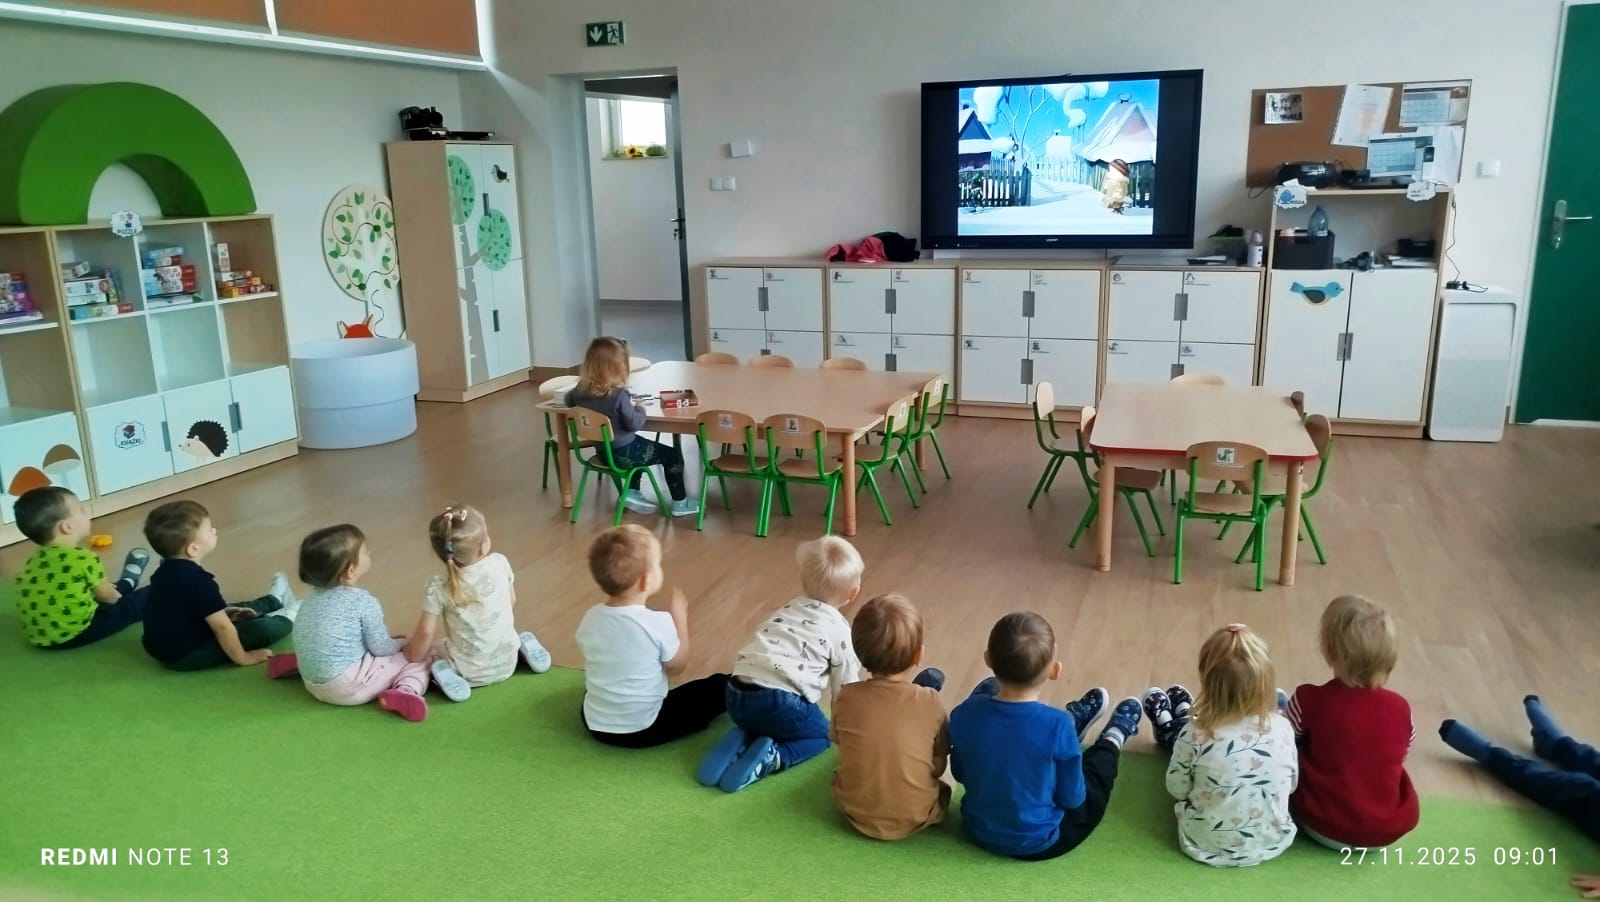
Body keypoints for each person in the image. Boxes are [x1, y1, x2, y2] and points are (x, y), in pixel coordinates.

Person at [947, 611, 1140, 861]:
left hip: (977, 830)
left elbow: (960, 774)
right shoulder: (1057, 725)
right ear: (1054, 671)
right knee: (1095, 776)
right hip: (1041, 842)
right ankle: (1113, 737)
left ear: (987, 659)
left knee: (1043, 742)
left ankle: (1079, 730)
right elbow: (1072, 798)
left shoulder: (965, 711)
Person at [697, 536, 865, 793]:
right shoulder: (841, 630)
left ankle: (745, 737)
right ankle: (773, 757)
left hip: (735, 693)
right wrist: (843, 730)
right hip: (777, 702)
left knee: (769, 716)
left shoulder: (788, 608)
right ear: (853, 593)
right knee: (821, 735)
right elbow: (845, 693)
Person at [1143, 623, 1298, 867]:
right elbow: (1291, 786)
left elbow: (1177, 789)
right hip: (1272, 841)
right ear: (1266, 685)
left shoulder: (1195, 733)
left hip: (1202, 843)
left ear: (1207, 684)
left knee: (1190, 749)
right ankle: (1179, 716)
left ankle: (1171, 723)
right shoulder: (1283, 728)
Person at [575, 525, 728, 747]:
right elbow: (677, 666)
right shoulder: (657, 623)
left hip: (594, 723)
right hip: (643, 728)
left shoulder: (590, 617)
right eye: (658, 564)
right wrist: (680, 621)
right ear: (646, 581)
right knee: (717, 688)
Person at [1286, 596, 1418, 848]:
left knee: (1290, 737)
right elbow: (1403, 752)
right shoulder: (1401, 708)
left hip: (1320, 824)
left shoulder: (1309, 699)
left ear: (1329, 651)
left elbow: (1283, 745)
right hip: (1386, 833)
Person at [272, 524, 430, 722]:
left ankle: (296, 663)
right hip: (346, 688)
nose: (369, 552)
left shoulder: (309, 600)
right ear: (351, 571)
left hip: (310, 682)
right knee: (418, 658)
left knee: (329, 644)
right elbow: (381, 648)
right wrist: (403, 643)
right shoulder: (363, 601)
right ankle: (406, 691)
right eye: (364, 551)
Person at [828, 592, 948, 840]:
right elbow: (938, 766)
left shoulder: (846, 696)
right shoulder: (932, 702)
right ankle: (915, 689)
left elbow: (838, 739)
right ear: (918, 655)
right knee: (941, 785)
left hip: (854, 809)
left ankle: (912, 691)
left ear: (859, 654)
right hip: (917, 814)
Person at [401, 505, 551, 701]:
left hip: (468, 672)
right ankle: (522, 646)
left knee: (435, 649)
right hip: (509, 663)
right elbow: (511, 601)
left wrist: (412, 655)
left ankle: (443, 671)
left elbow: (426, 632)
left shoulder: (438, 586)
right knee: (506, 636)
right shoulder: (499, 563)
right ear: (483, 546)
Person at [139, 500, 299, 670]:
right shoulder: (199, 581)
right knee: (259, 629)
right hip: (187, 656)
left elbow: (181, 609)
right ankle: (289, 616)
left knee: (226, 608)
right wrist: (243, 657)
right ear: (193, 549)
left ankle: (274, 600)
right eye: (209, 529)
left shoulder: (162, 572)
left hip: (164, 647)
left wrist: (226, 613)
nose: (214, 531)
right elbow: (222, 628)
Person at [563, 336, 695, 517]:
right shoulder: (619, 395)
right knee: (672, 455)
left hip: (603, 454)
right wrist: (640, 408)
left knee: (639, 446)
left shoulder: (580, 390)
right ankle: (680, 502)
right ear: (618, 367)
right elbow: (634, 423)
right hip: (625, 454)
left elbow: (568, 400)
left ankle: (632, 492)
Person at [12, 486, 150, 649]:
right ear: (67, 527)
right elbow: (108, 598)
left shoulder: (33, 561)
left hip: (40, 637)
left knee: (96, 588)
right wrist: (123, 602)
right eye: (82, 510)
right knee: (137, 601)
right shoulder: (83, 558)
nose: (86, 514)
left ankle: (127, 582)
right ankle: (145, 585)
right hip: (77, 632)